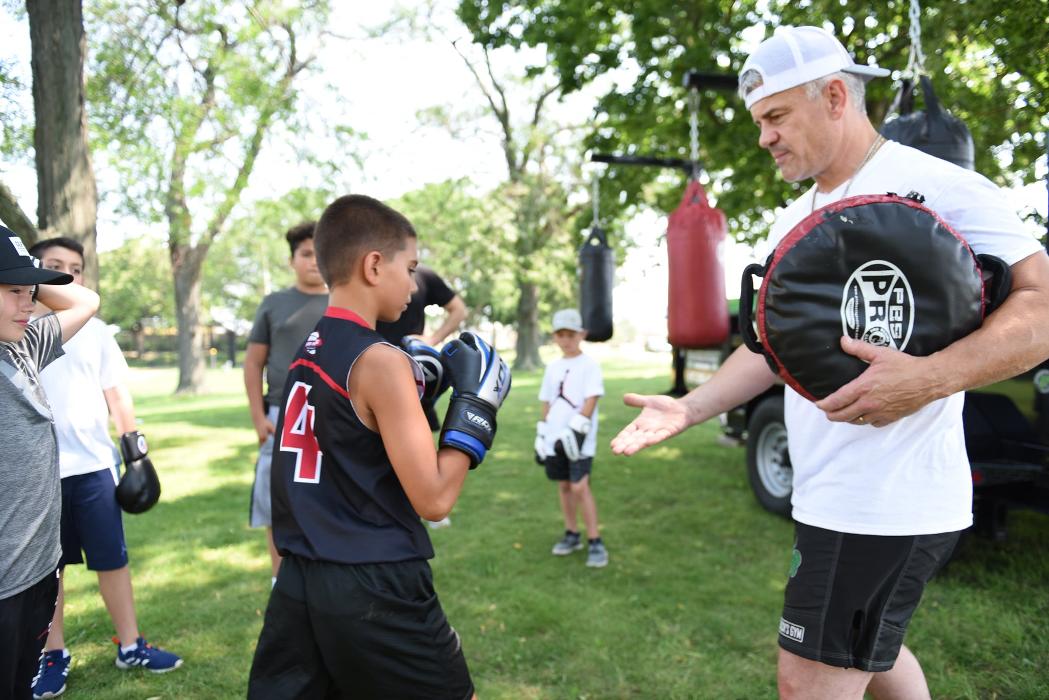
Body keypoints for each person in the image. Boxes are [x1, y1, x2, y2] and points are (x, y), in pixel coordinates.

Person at [611, 25, 1049, 700]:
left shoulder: (940, 185)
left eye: (776, 117)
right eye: (759, 121)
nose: (764, 137)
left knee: (806, 681)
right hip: (829, 489)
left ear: (836, 96)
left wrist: (931, 377)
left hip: (885, 500)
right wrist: (690, 406)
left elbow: (1040, 308)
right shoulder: (796, 218)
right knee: (877, 656)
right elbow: (772, 348)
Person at [247, 194, 510, 699]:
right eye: (409, 268)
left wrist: (419, 386)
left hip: (301, 577)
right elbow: (433, 499)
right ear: (373, 265)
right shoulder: (379, 361)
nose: (414, 285)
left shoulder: (312, 347)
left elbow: (350, 434)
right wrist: (475, 411)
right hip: (374, 579)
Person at [28, 237, 182, 698]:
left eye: (75, 268)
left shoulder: (94, 330)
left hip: (94, 465)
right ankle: (51, 654)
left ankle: (130, 644)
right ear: (33, 270)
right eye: (54, 266)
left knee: (112, 559)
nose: (67, 275)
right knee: (47, 569)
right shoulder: (18, 327)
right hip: (39, 473)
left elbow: (116, 392)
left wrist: (134, 451)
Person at [0, 226, 98, 700]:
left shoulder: (25, 346)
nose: (28, 303)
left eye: (30, 292)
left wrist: (28, 277)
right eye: (13, 291)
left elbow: (86, 302)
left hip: (39, 572)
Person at [243, 222, 328, 583]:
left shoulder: (343, 302)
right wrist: (259, 417)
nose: (313, 261)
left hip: (331, 414)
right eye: (306, 254)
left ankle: (326, 577)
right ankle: (282, 583)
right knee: (276, 501)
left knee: (326, 501)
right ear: (292, 259)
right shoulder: (274, 304)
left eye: (319, 253)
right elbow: (253, 363)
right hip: (282, 415)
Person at [377, 264, 467, 528]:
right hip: (375, 371)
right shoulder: (375, 273)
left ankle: (425, 499)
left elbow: (458, 308)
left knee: (419, 439)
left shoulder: (425, 276)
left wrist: (432, 339)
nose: (412, 285)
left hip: (415, 373)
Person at [535, 308, 608, 568]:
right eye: (560, 335)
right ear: (555, 337)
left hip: (579, 440)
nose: (565, 340)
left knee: (580, 486)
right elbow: (546, 400)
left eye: (570, 335)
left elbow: (591, 398)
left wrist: (576, 428)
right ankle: (571, 533)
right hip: (554, 437)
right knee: (564, 486)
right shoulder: (553, 367)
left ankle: (595, 540)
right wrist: (542, 432)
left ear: (581, 335)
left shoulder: (589, 366)